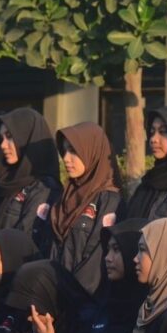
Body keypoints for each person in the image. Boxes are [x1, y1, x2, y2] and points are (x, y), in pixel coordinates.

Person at [0, 108, 60, 253]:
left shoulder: (44, 188)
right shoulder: (0, 184)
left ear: (27, 138)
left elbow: (25, 240)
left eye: (9, 136)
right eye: (2, 138)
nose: (3, 145)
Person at [50, 122, 122, 297]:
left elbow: (96, 262)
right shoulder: (66, 195)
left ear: (92, 152)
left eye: (73, 151)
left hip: (84, 302)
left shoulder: (108, 200)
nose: (66, 158)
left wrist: (69, 299)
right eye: (64, 151)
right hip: (54, 296)